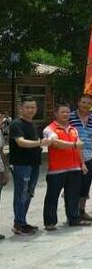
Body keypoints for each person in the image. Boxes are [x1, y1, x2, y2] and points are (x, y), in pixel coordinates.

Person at [43, 104, 91, 230]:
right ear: (56, 114)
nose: (65, 114)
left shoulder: (73, 129)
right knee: (52, 197)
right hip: (57, 169)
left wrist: (82, 163)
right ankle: (50, 222)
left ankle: (73, 218)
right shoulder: (49, 129)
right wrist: (74, 145)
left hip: (74, 168)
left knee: (73, 196)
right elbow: (56, 143)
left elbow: (79, 147)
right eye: (62, 112)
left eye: (68, 112)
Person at [9, 98, 50, 234]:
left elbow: (35, 142)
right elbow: (20, 142)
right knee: (21, 194)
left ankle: (21, 222)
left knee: (28, 193)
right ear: (21, 108)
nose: (30, 110)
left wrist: (40, 144)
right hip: (21, 164)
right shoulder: (16, 124)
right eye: (27, 107)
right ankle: (19, 224)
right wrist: (40, 143)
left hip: (34, 164)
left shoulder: (33, 124)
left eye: (33, 107)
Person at [69, 93, 92, 222]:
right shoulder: (70, 117)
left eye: (88, 103)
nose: (85, 105)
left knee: (85, 185)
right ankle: (72, 213)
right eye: (83, 102)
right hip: (73, 156)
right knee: (73, 186)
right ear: (78, 102)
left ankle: (82, 210)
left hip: (89, 155)